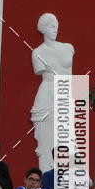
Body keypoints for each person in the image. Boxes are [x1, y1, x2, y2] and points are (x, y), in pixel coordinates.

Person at [30, 13, 75, 172]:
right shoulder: (37, 52)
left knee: (69, 137)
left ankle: (72, 175)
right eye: (51, 26)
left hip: (65, 93)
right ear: (42, 29)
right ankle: (45, 175)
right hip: (47, 94)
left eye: (56, 26)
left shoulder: (68, 47)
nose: (55, 30)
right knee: (46, 141)